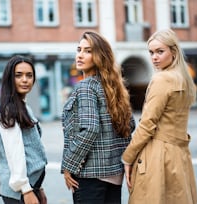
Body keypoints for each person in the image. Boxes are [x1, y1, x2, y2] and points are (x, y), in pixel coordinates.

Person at [122, 29, 197, 204]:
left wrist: (128, 157)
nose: (154, 57)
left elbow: (147, 124)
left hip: (158, 155)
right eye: (151, 52)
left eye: (160, 51)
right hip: (179, 154)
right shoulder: (183, 79)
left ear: (173, 51)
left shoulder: (162, 79)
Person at [61, 31, 135, 204]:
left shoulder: (86, 86)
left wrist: (68, 166)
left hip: (90, 175)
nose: (80, 55)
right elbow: (129, 126)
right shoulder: (114, 87)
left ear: (100, 56)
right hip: (114, 174)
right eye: (79, 49)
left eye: (88, 51)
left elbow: (90, 128)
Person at [0, 55, 48, 204]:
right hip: (19, 192)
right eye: (18, 75)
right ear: (9, 79)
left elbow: (30, 150)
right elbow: (15, 152)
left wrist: (39, 187)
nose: (25, 80)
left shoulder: (23, 107)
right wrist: (26, 189)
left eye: (29, 75)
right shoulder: (8, 110)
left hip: (30, 186)